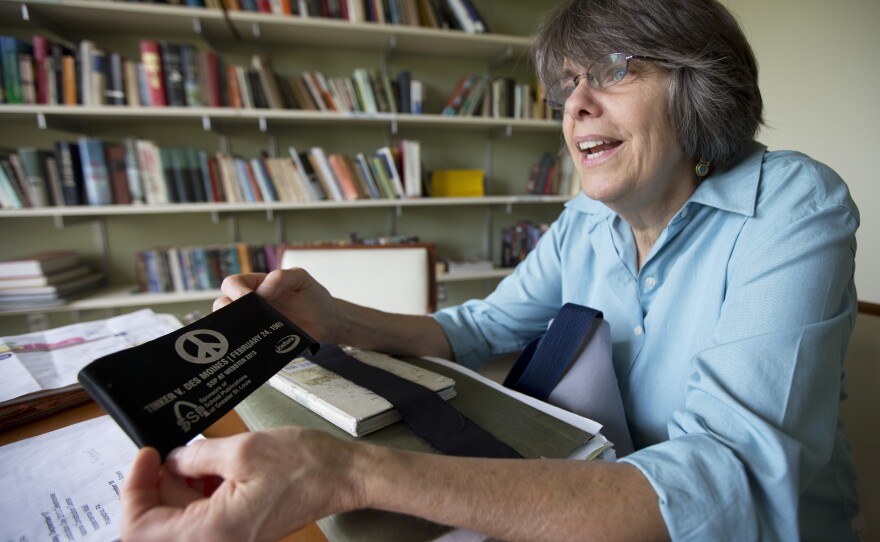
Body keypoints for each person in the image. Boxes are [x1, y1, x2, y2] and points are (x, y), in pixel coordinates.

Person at [121, 0, 862, 540]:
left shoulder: (792, 204)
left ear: (700, 86)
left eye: (611, 69)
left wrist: (349, 471)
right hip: (590, 498)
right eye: (566, 84)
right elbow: (480, 327)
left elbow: (723, 480)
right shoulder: (584, 221)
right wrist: (333, 320)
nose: (576, 105)